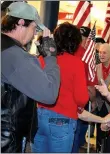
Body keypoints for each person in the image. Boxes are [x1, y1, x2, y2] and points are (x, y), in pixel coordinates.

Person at [1, 2, 60, 153]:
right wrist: (51, 57)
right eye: (34, 28)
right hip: (7, 140)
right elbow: (49, 94)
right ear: (21, 23)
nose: (35, 34)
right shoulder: (17, 57)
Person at [32, 22, 88, 153]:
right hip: (63, 119)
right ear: (75, 42)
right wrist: (79, 106)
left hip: (39, 115)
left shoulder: (42, 59)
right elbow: (81, 97)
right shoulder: (76, 63)